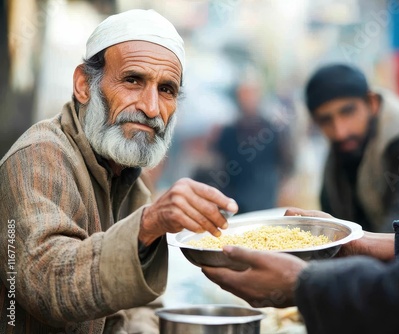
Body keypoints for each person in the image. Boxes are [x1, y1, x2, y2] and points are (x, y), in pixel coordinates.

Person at [202, 1, 399, 332]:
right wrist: (355, 241)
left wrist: (307, 284)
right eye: (326, 121)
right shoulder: (340, 155)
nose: (340, 131)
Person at [0, 9, 238, 333]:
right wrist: (149, 224)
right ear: (84, 85)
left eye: (166, 89)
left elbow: (141, 304)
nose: (151, 108)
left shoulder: (128, 176)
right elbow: (48, 282)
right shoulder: (41, 157)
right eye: (133, 80)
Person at [305, 64, 399, 232]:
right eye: (325, 120)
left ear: (372, 102)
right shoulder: (344, 148)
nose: (340, 131)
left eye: (347, 112)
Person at [212, 78, 293, 214]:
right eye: (244, 94)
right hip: (235, 205)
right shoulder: (227, 132)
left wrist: (283, 188)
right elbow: (218, 165)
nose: (248, 99)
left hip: (266, 203)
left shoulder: (272, 130)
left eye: (252, 93)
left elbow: (287, 163)